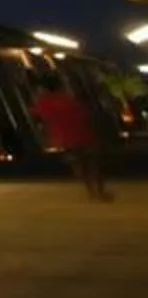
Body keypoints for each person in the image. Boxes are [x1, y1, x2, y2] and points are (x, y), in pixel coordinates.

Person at [30, 72, 112, 202]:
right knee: (93, 163)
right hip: (83, 134)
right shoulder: (69, 99)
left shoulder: (42, 103)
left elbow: (38, 119)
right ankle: (99, 192)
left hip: (63, 138)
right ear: (60, 85)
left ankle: (90, 191)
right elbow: (86, 115)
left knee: (79, 164)